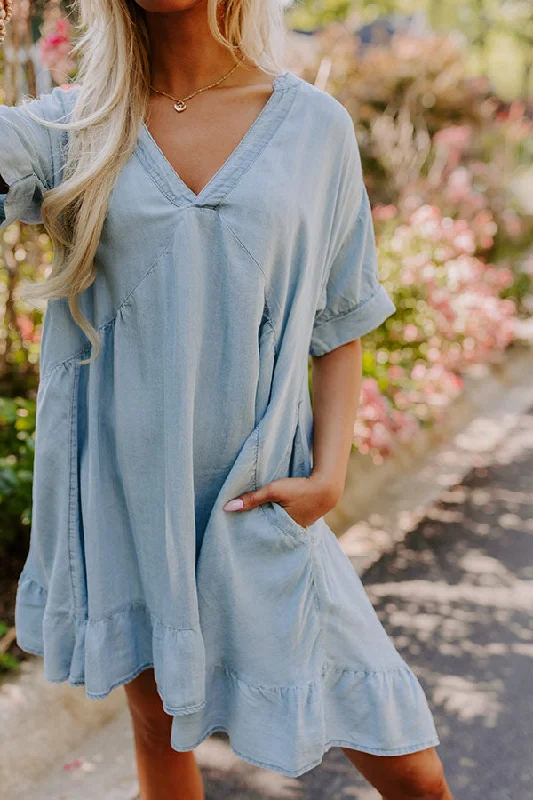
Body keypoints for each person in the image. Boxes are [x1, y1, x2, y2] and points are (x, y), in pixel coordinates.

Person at [0, 1, 453, 798]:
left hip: (258, 503)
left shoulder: (314, 128)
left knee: (411, 771)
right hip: (123, 505)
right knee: (157, 740)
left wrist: (329, 478)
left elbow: (338, 319)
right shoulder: (73, 126)